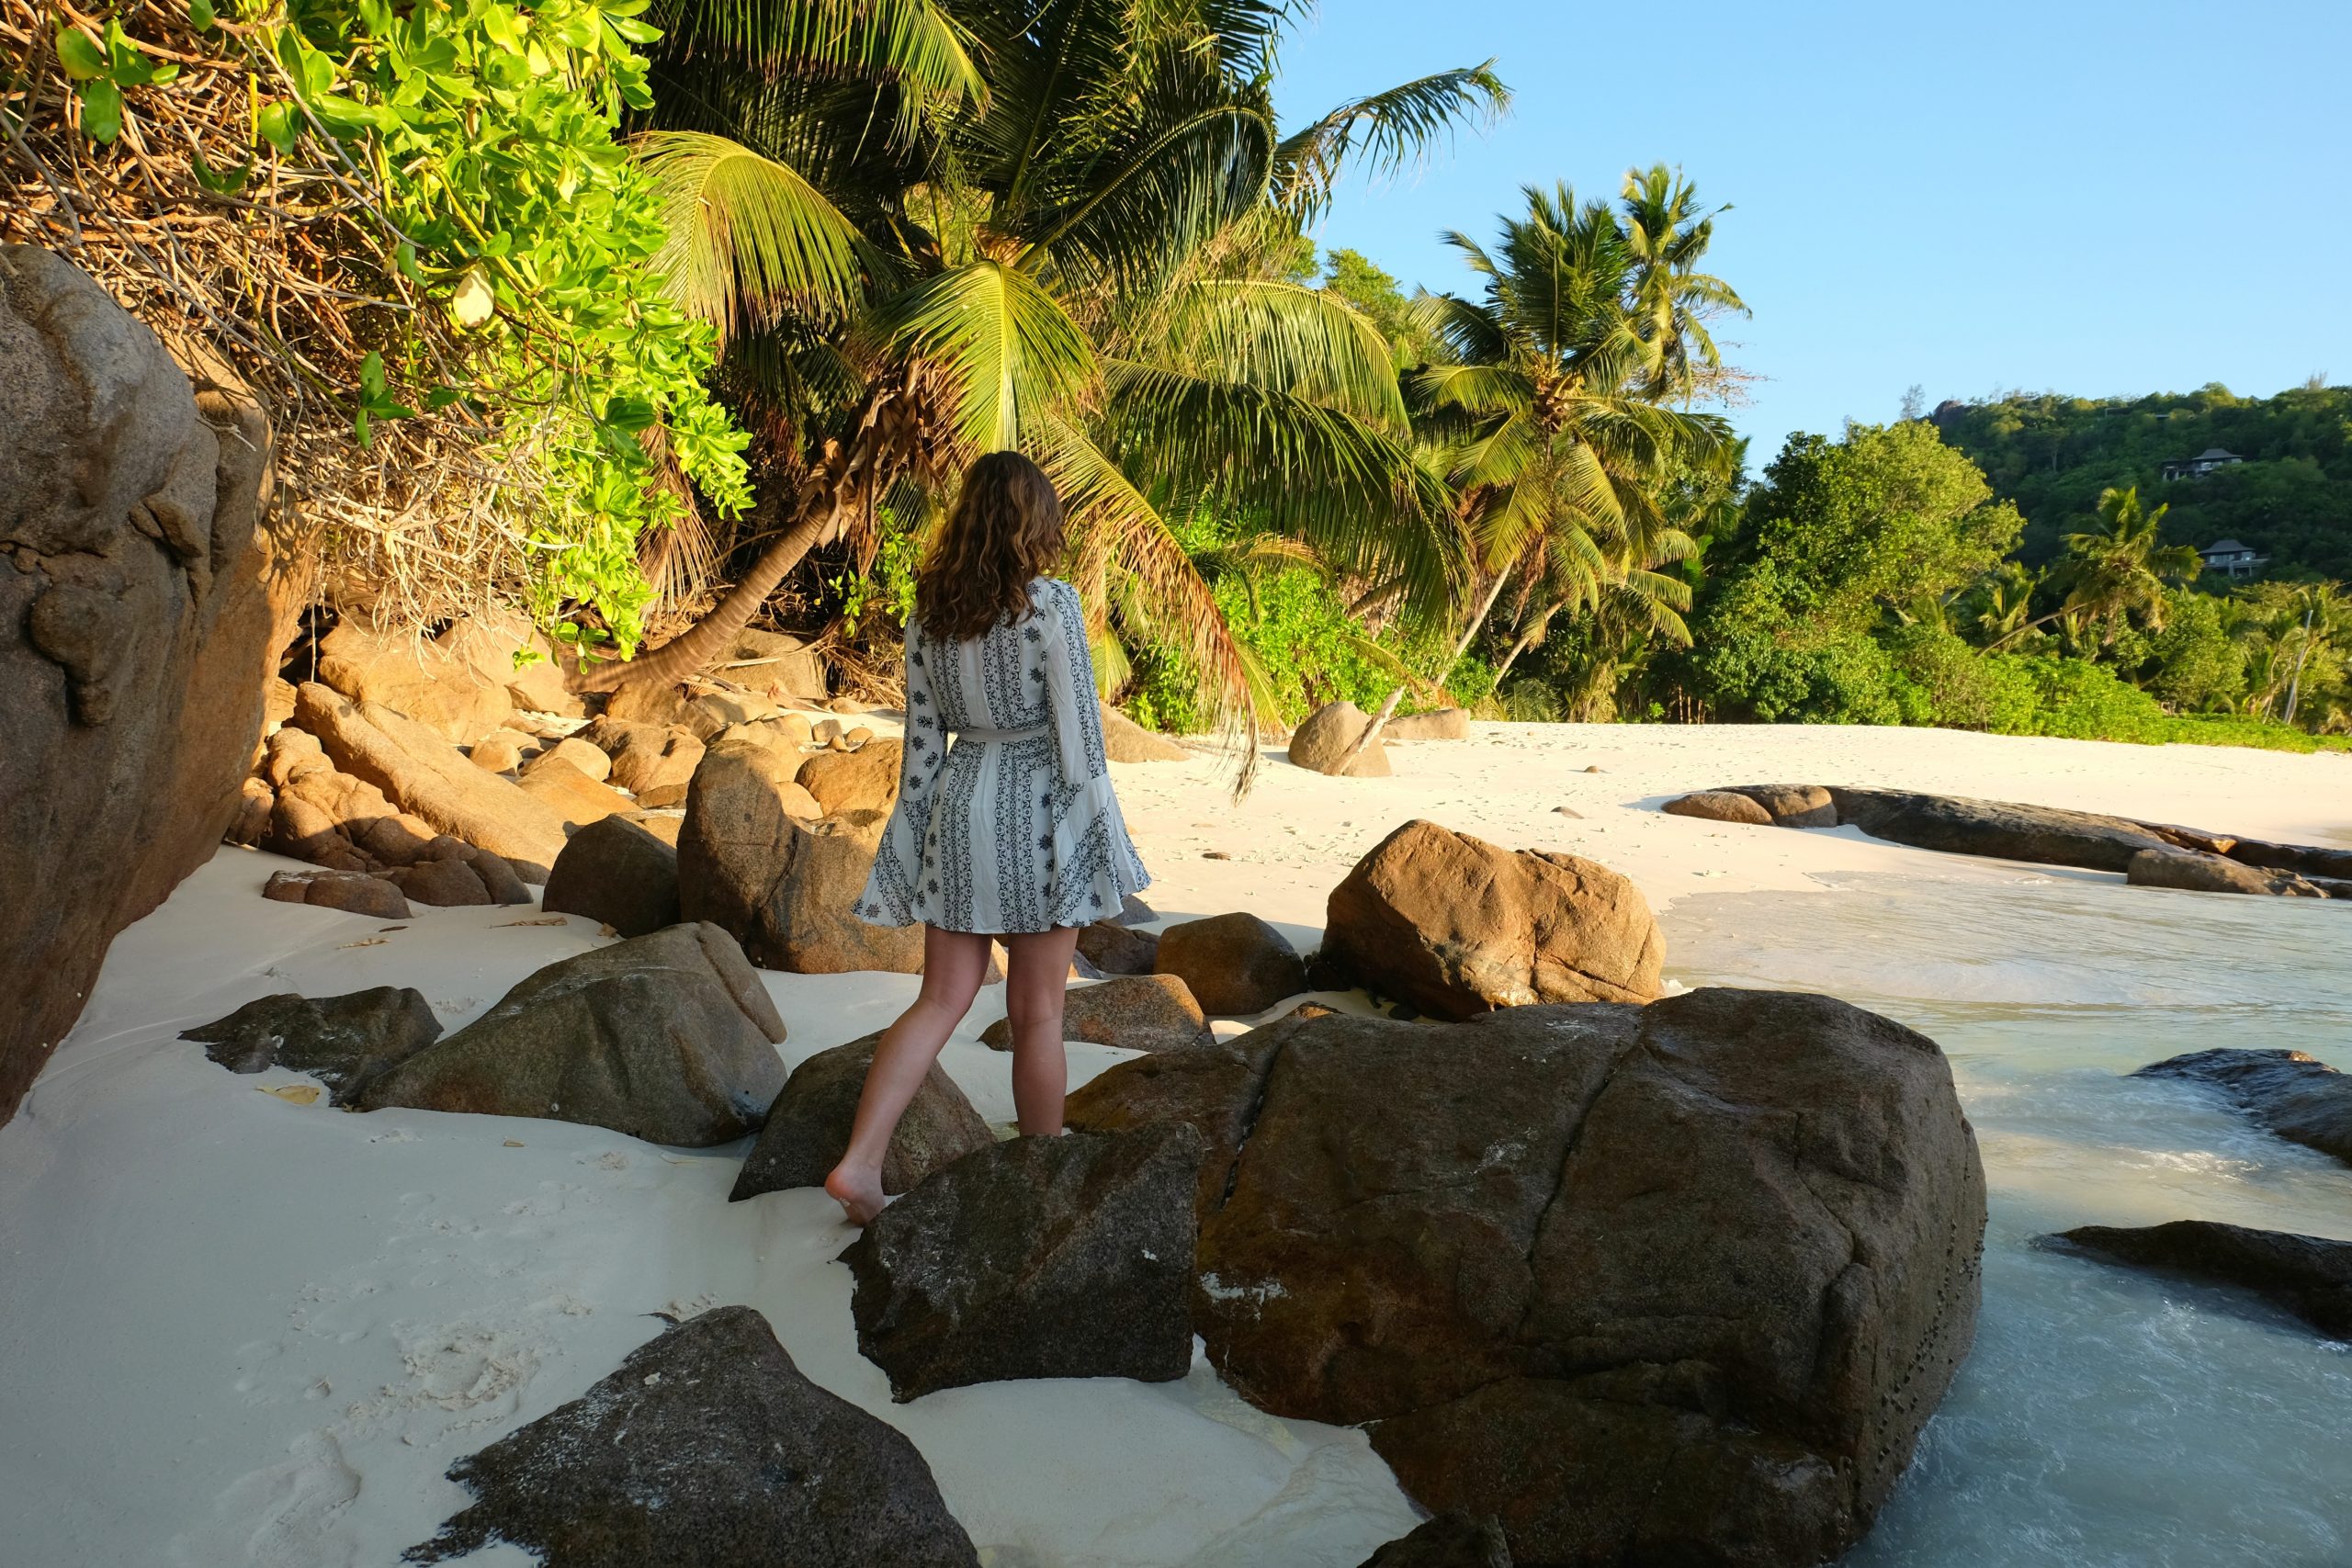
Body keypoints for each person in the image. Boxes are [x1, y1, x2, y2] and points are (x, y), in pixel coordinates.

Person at [825, 451, 1152, 1224]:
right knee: (1040, 1013)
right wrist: (1103, 837)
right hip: (1039, 808)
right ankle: (1042, 1185)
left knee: (939, 998)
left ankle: (860, 1164)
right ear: (1035, 520)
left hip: (959, 800)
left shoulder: (930, 612)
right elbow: (1080, 739)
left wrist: (909, 850)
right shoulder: (1053, 605)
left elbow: (918, 751)